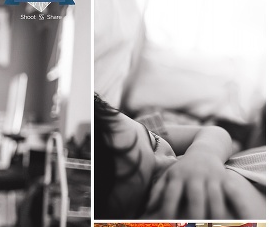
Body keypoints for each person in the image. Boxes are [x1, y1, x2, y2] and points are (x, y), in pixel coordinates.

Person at [94, 93, 265, 219]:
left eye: (155, 143)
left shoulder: (143, 128)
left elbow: (213, 132)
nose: (171, 163)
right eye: (149, 190)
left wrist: (203, 153)